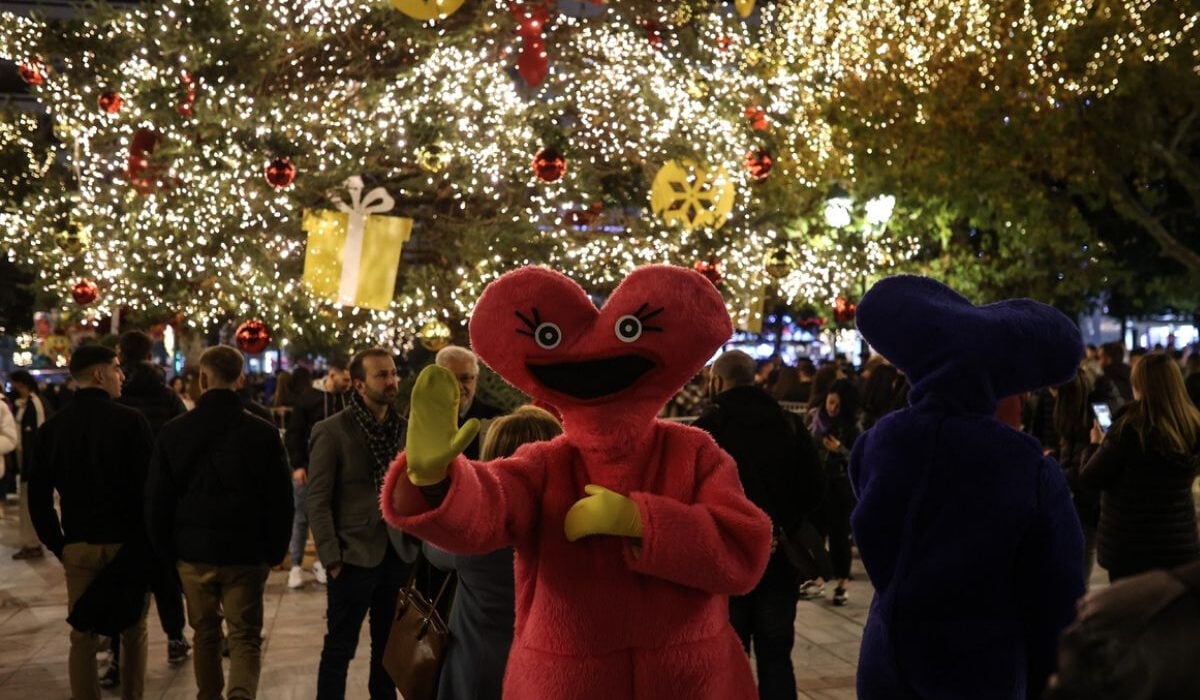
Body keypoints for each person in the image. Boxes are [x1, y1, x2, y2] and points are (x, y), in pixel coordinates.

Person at [145, 345, 293, 700]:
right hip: (245, 552)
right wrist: (275, 548)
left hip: (193, 553)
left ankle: (208, 694)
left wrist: (167, 554)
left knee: (205, 633)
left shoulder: (174, 431)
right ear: (240, 378)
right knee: (244, 636)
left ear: (203, 378)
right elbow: (280, 497)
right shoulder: (262, 431)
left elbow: (157, 500)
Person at [693, 351, 824, 700]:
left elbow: (691, 496)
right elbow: (814, 489)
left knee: (728, 658)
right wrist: (783, 524)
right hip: (779, 561)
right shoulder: (787, 423)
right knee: (777, 657)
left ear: (717, 381)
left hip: (728, 558)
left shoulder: (708, 428)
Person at [27, 345, 155, 700]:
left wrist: (59, 544)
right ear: (99, 374)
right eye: (116, 368)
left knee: (82, 632)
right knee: (133, 628)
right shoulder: (131, 421)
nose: (122, 376)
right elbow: (151, 488)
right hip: (126, 544)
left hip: (79, 543)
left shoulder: (53, 429)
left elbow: (37, 496)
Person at [425, 405, 563, 700]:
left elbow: (432, 550)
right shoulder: (573, 524)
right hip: (553, 672)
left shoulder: (481, 527)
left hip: (480, 671)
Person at [308, 348, 418, 699]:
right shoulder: (332, 431)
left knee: (387, 650)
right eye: (381, 375)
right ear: (358, 384)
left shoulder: (405, 429)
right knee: (340, 648)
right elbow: (318, 498)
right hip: (353, 556)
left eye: (392, 373)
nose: (391, 381)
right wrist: (332, 558)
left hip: (397, 553)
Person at [1077, 351, 1200, 582]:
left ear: (1139, 385)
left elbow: (1089, 478)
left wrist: (1094, 445)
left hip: (1131, 547)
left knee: (1131, 615)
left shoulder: (1129, 429)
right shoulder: (1191, 424)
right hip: (1178, 544)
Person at [115, 330, 190, 671]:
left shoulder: (116, 397)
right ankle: (175, 636)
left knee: (122, 579)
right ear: (150, 352)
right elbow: (179, 444)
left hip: (121, 501)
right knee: (164, 575)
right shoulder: (166, 396)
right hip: (161, 497)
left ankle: (115, 651)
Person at [285, 359, 350, 589]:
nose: (348, 384)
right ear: (333, 374)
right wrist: (298, 465)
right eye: (345, 379)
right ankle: (295, 566)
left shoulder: (348, 398)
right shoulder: (308, 398)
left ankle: (323, 562)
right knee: (302, 517)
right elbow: (295, 433)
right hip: (309, 469)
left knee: (331, 518)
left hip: (339, 471)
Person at [807, 379, 860, 606]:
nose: (832, 409)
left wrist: (840, 449)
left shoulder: (852, 426)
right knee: (816, 534)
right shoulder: (813, 419)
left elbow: (858, 458)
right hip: (818, 483)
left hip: (840, 486)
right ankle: (817, 579)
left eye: (838, 406)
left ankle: (842, 584)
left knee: (839, 537)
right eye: (830, 403)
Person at [1050, 371, 1101, 582]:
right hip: (1081, 503)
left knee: (1081, 558)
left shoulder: (1087, 424)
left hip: (1086, 505)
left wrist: (1054, 471)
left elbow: (1083, 472)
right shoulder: (1079, 419)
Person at [435, 345, 504, 460]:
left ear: (476, 379)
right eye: (450, 378)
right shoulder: (422, 418)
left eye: (465, 378)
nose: (458, 386)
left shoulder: (496, 420)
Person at [10, 370, 51, 559]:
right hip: (25, 462)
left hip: (32, 463)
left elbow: (38, 434)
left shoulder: (35, 403)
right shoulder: (24, 404)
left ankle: (33, 544)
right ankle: (30, 543)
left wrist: (33, 464)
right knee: (26, 505)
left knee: (31, 505)